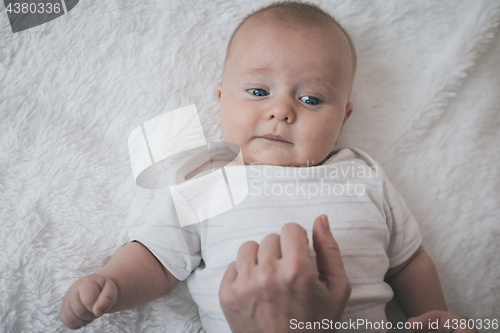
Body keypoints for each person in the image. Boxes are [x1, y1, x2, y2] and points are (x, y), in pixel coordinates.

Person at [59, 2, 476, 332]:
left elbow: (408, 259)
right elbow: (156, 256)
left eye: (311, 99)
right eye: (258, 91)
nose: (280, 110)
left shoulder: (361, 174)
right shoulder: (207, 178)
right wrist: (112, 283)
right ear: (221, 98)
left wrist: (433, 314)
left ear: (343, 120)